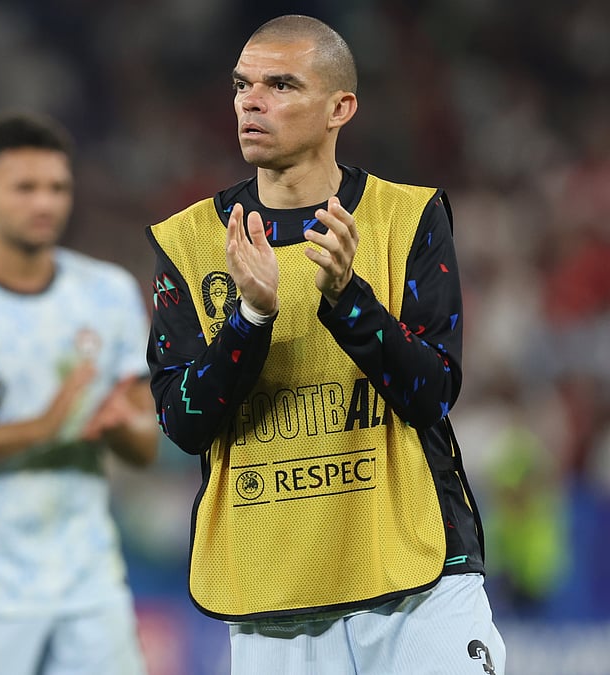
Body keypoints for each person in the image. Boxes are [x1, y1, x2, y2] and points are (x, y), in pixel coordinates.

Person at [145, 15, 505, 675]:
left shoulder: (408, 216)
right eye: (242, 85)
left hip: (418, 579)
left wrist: (347, 296)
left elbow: (432, 393)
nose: (251, 101)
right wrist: (250, 318)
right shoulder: (189, 242)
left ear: (341, 107)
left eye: (281, 84)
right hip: (273, 594)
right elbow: (183, 423)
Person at [0, 112, 158, 675]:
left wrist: (119, 423)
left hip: (89, 585)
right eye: (25, 187)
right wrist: (43, 427)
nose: (45, 203)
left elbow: (146, 446)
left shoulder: (108, 293)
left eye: (57, 188)